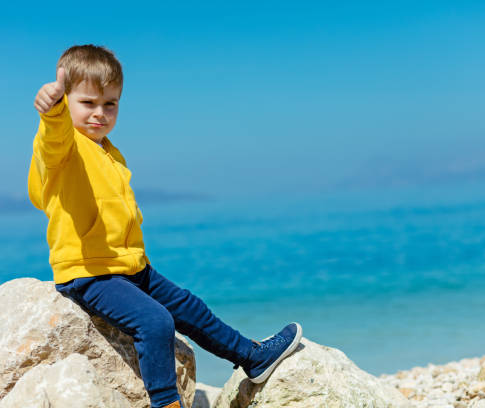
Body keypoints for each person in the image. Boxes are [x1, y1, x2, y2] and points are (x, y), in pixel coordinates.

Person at [28, 44, 302, 408]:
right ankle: (166, 403)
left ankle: (252, 357)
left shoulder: (108, 150)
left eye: (110, 104)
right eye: (87, 103)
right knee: (155, 322)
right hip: (90, 273)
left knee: (190, 307)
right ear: (67, 102)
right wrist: (54, 112)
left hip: (129, 268)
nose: (100, 113)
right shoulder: (65, 148)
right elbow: (53, 140)